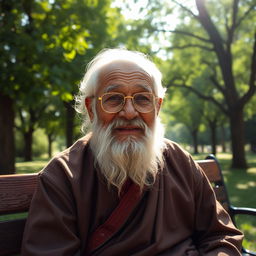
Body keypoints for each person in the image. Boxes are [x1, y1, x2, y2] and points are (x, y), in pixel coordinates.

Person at [21, 48, 243, 256]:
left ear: (157, 107)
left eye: (142, 99)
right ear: (91, 109)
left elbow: (221, 235)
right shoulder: (62, 176)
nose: (129, 112)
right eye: (114, 99)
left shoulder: (179, 160)